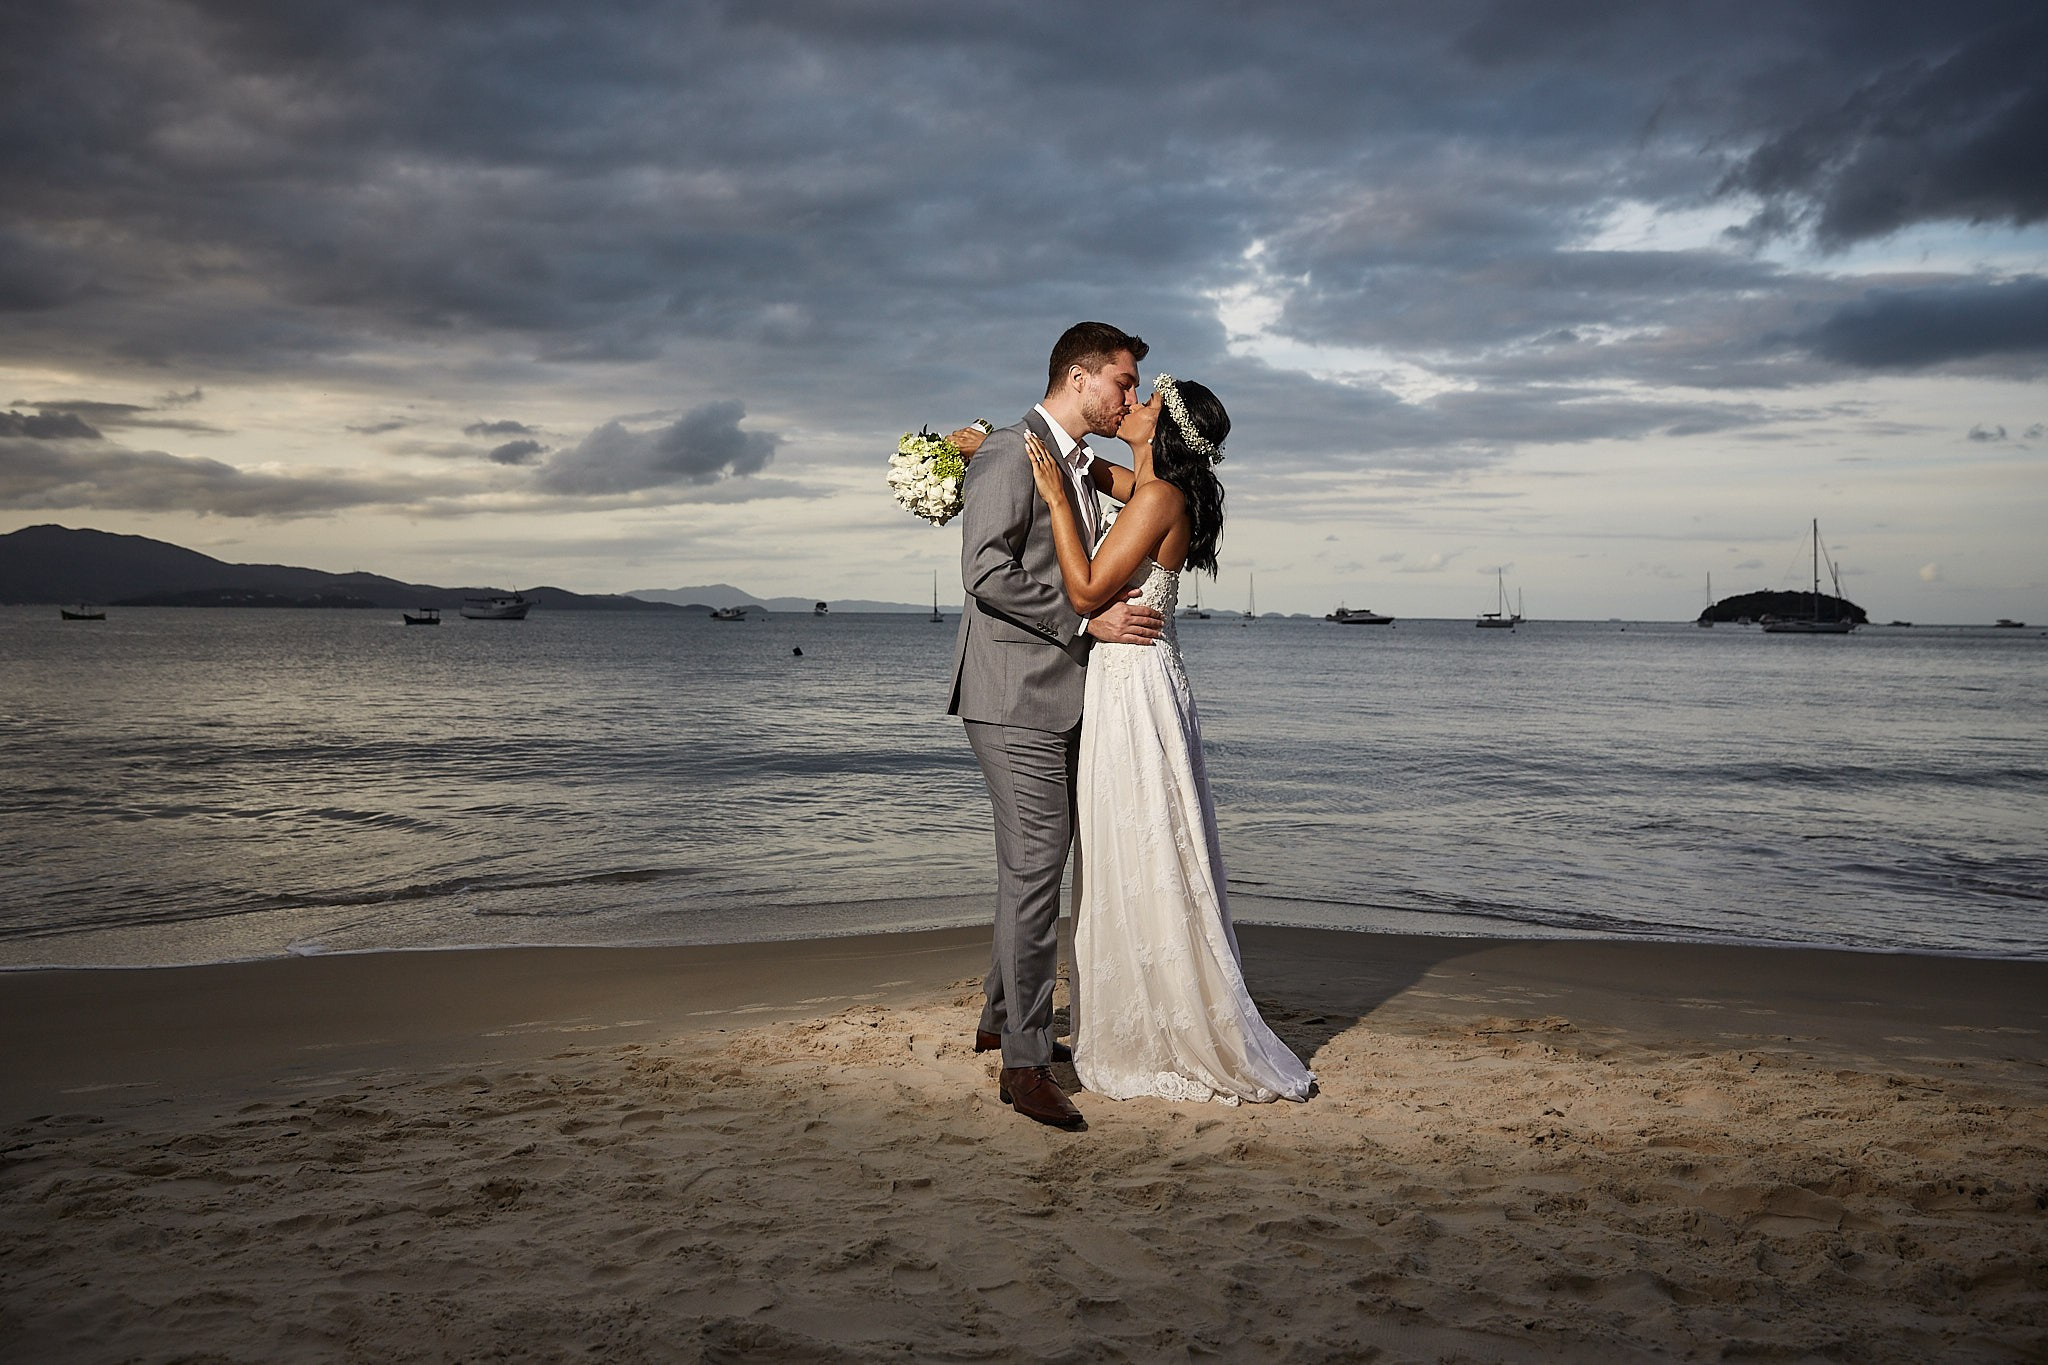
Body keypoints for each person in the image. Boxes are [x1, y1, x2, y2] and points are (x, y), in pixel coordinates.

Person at [1024, 374, 1314, 1106]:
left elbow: (1087, 591)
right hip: (1146, 678)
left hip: (1132, 684)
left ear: (1165, 428)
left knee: (1138, 836)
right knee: (1142, 837)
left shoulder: (1157, 498)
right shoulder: (1151, 488)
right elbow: (1090, 466)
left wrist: (1055, 501)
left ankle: (1156, 1024)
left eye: (1146, 402)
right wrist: (993, 449)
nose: (1132, 405)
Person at [946, 322, 1165, 1129]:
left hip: (1057, 694)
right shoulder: (1012, 453)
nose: (1129, 397)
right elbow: (984, 571)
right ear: (1079, 378)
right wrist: (1085, 621)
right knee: (1040, 862)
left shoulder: (1067, 460)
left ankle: (1001, 1017)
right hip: (1013, 695)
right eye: (1122, 381)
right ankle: (1025, 1063)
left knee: (1030, 865)